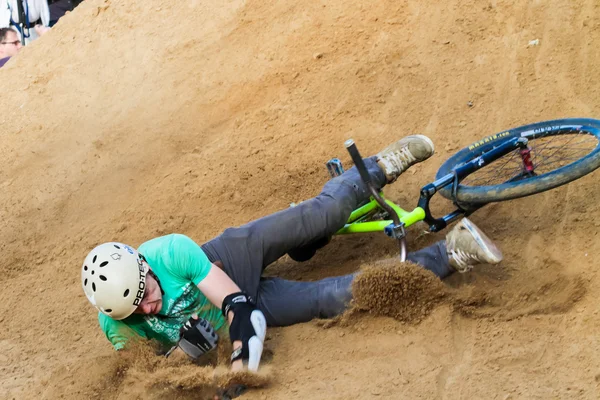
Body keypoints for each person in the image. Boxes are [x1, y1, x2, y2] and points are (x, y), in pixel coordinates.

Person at [81, 135, 503, 371]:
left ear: (144, 265)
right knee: (332, 298)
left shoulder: (170, 252)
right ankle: (451, 253)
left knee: (323, 214)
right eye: (138, 310)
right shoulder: (118, 327)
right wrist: (184, 354)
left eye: (147, 292)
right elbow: (155, 374)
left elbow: (236, 304)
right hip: (243, 312)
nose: (150, 307)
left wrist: (242, 350)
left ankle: (379, 167)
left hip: (228, 262)